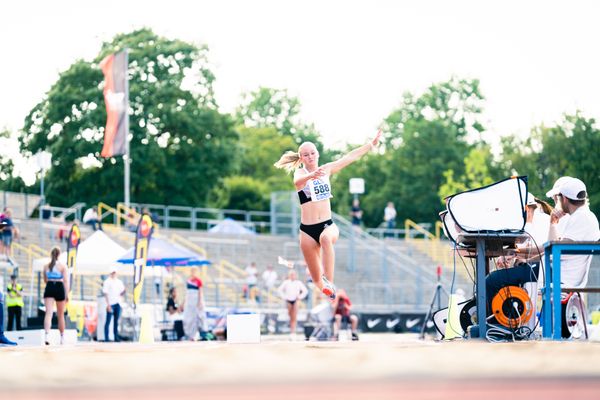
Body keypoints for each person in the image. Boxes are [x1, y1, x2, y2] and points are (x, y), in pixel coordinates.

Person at [274, 130, 382, 300]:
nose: (310, 157)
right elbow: (297, 182)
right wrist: (311, 176)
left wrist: (370, 145)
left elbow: (348, 157)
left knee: (325, 240)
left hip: (327, 226)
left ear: (317, 154)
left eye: (312, 153)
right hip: (307, 231)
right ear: (301, 158)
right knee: (316, 279)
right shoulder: (301, 174)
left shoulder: (326, 170)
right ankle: (325, 287)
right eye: (305, 155)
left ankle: (330, 281)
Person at [486, 178, 599, 312]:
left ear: (564, 199)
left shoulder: (582, 217)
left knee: (492, 280)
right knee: (502, 277)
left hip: (555, 274)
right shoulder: (581, 216)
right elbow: (550, 248)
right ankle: (504, 324)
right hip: (552, 271)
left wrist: (519, 253)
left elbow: (553, 249)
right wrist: (520, 255)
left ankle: (495, 327)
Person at [43, 247, 69, 345]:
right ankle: (62, 338)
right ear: (59, 255)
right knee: (60, 315)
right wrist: (66, 294)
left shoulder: (46, 266)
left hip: (49, 286)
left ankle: (47, 335)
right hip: (59, 286)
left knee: (48, 313)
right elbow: (66, 281)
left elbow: (45, 280)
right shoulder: (62, 266)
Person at [277, 269, 308, 339]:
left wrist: (300, 297)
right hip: (288, 300)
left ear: (296, 276)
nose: (292, 276)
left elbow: (305, 291)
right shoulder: (286, 282)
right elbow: (279, 290)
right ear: (289, 276)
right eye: (291, 275)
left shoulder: (298, 283)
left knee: (294, 316)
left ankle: (293, 332)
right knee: (290, 316)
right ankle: (291, 330)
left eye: (294, 275)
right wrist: (284, 297)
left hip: (295, 300)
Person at [183, 267, 210, 340]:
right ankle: (190, 335)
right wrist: (184, 302)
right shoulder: (188, 281)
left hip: (196, 301)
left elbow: (200, 292)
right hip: (190, 303)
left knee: (199, 317)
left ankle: (202, 334)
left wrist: (200, 302)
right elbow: (187, 293)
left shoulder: (198, 281)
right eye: (192, 271)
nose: (193, 272)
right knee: (189, 319)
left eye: (194, 271)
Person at [102, 267, 125, 342]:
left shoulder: (119, 282)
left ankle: (116, 337)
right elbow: (105, 293)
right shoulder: (107, 282)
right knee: (108, 321)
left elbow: (121, 292)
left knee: (116, 321)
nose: (113, 274)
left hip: (118, 303)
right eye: (112, 272)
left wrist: (124, 291)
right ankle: (106, 337)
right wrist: (108, 305)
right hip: (111, 303)